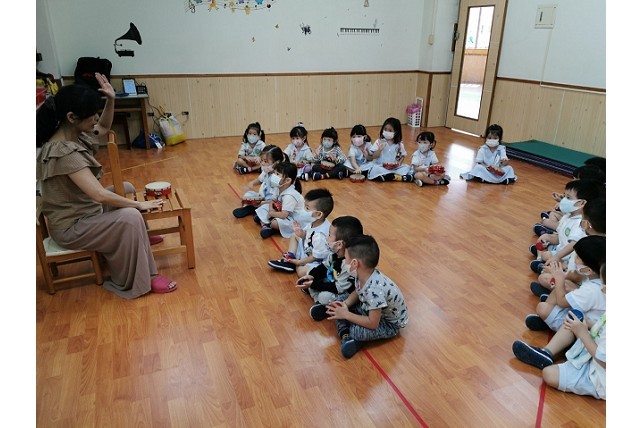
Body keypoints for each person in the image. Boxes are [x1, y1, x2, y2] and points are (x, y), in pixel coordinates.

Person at [36, 77, 177, 299]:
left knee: (126, 188)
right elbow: (98, 194)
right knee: (131, 216)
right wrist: (139, 205)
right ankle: (148, 276)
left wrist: (111, 99)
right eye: (92, 114)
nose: (96, 118)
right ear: (71, 117)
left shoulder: (73, 135)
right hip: (72, 228)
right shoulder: (63, 152)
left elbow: (102, 127)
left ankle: (138, 241)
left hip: (85, 212)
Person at [513, 263, 605, 400]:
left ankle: (551, 349)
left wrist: (582, 333)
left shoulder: (593, 290)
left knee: (549, 374)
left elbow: (604, 360)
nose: (601, 286)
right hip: (592, 354)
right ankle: (549, 350)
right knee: (574, 317)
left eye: (604, 283)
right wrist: (587, 325)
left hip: (599, 377)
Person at [309, 235, 409, 359]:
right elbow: (358, 291)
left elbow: (373, 323)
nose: (344, 261)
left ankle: (346, 334)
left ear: (355, 263)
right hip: (369, 308)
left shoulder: (374, 290)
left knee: (356, 331)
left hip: (387, 323)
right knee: (339, 300)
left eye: (346, 258)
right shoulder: (363, 273)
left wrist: (346, 315)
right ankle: (333, 310)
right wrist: (345, 305)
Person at [524, 235, 605, 332]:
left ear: (589, 270)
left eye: (577, 257)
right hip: (585, 313)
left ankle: (545, 321)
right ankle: (548, 311)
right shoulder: (599, 278)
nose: (574, 259)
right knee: (564, 285)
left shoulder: (591, 289)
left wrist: (559, 278)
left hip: (582, 326)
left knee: (542, 308)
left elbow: (562, 302)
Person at [531, 196, 605, 298]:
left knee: (545, 279)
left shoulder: (588, 246)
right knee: (546, 277)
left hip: (586, 290)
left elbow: (578, 277)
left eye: (582, 220)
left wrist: (559, 274)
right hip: (587, 285)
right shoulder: (593, 242)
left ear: (587, 224)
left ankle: (559, 298)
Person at [529, 179, 604, 274]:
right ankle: (540, 259)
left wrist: (557, 256)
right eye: (564, 196)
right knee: (544, 237)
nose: (564, 200)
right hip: (560, 248)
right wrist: (548, 241)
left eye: (568, 197)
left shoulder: (580, 222)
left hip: (568, 255)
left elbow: (573, 245)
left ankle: (549, 264)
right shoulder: (568, 215)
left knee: (546, 255)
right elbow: (560, 237)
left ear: (581, 203)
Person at [296, 216, 363, 305]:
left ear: (339, 244)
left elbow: (338, 288)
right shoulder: (334, 253)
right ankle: (317, 299)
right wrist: (311, 276)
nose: (327, 238)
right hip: (333, 281)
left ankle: (319, 302)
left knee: (324, 297)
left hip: (342, 291)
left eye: (329, 235)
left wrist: (314, 284)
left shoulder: (348, 264)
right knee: (310, 272)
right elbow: (324, 267)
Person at [268, 188, 334, 276]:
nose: (303, 210)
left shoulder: (320, 235)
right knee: (294, 235)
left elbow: (315, 257)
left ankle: (294, 263)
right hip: (309, 250)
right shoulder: (313, 221)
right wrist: (301, 234)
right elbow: (308, 236)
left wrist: (299, 262)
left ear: (318, 214)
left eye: (307, 208)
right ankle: (290, 259)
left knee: (301, 272)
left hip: (316, 259)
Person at [232, 145, 286, 219]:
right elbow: (260, 180)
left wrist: (262, 203)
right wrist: (251, 183)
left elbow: (275, 199)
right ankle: (255, 209)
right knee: (248, 195)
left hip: (270, 202)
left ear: (277, 162)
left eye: (266, 161)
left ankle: (257, 211)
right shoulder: (266, 170)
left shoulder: (277, 178)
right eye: (262, 160)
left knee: (266, 207)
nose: (262, 163)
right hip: (262, 198)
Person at [257, 161, 306, 239]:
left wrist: (271, 214)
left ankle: (267, 224)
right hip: (280, 212)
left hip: (293, 219)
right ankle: (266, 225)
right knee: (263, 207)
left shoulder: (290, 195)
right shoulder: (278, 187)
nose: (274, 176)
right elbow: (272, 201)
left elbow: (284, 215)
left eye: (277, 174)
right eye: (274, 173)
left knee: (275, 223)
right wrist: (270, 210)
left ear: (287, 180)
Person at [366, 117, 413, 182]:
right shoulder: (379, 141)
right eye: (385, 129)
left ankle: (389, 176)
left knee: (407, 168)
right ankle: (396, 177)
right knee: (375, 169)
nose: (387, 132)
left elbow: (403, 155)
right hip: (381, 166)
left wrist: (399, 163)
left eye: (390, 130)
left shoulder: (399, 144)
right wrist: (379, 150)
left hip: (394, 168)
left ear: (396, 132)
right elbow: (374, 156)